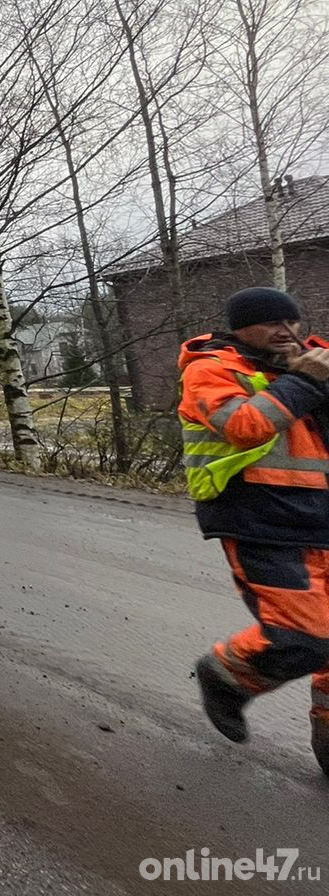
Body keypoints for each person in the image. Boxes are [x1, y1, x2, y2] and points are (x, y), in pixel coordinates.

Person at [181, 286, 329, 777]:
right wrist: (304, 382)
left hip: (320, 520)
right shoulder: (211, 370)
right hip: (261, 522)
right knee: (304, 638)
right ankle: (226, 674)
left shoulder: (314, 361)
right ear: (241, 328)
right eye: (270, 322)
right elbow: (243, 426)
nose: (285, 330)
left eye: (291, 320)